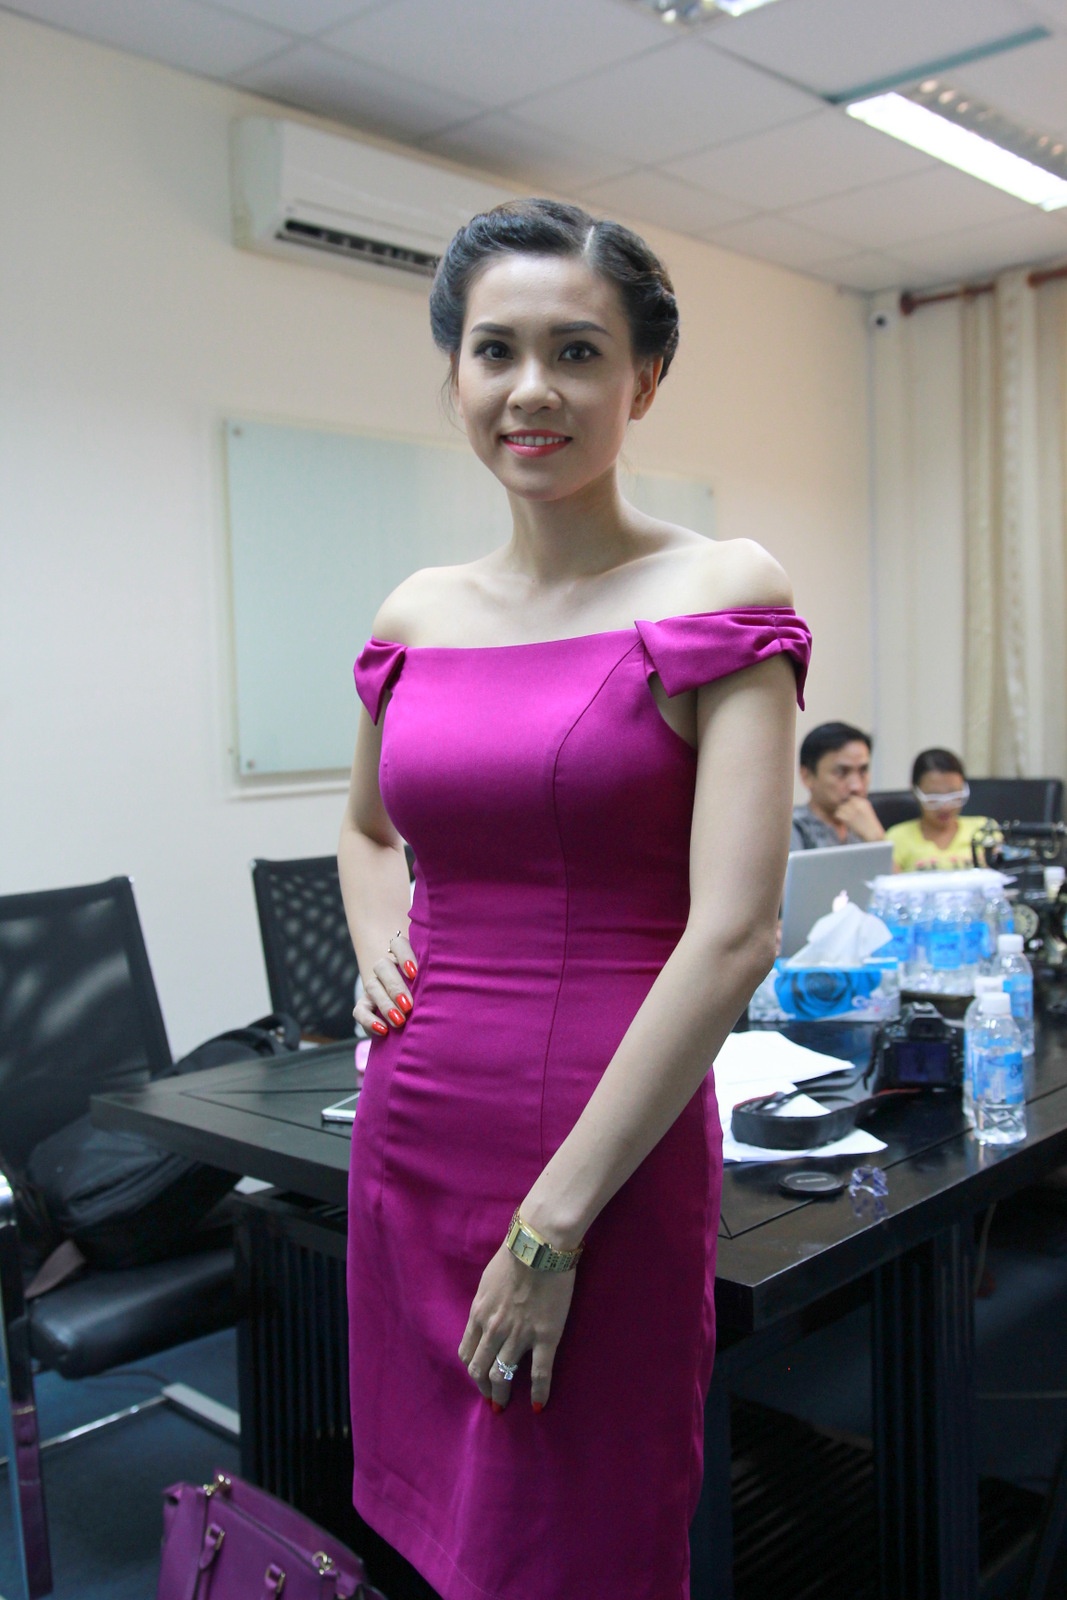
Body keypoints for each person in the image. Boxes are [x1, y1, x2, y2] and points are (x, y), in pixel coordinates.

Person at [337, 198, 811, 1600]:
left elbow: (733, 932)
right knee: (435, 1528)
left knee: (578, 1536)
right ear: (456, 375)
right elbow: (364, 828)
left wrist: (551, 1226)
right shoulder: (415, 614)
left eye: (577, 352)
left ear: (641, 380)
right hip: (415, 1123)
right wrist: (376, 938)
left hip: (598, 1146)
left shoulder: (715, 591)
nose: (530, 389)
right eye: (495, 351)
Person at [887, 747, 988, 871]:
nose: (945, 807)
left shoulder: (984, 829)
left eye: (953, 795)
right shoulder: (897, 838)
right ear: (915, 792)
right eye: (934, 797)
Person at [790, 721, 886, 850]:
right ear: (807, 776)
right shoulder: (792, 828)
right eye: (841, 772)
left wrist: (877, 840)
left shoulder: (868, 820)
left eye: (863, 771)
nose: (856, 786)